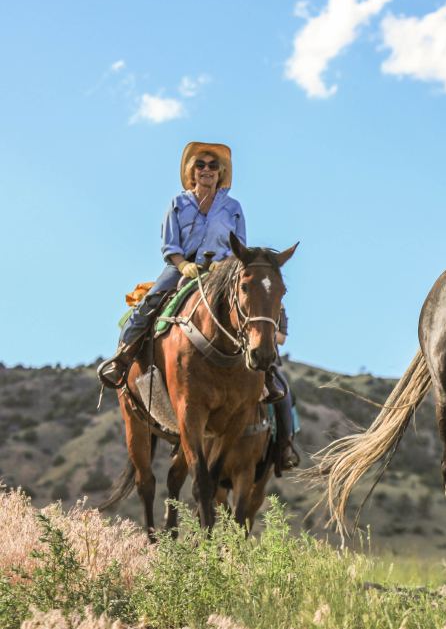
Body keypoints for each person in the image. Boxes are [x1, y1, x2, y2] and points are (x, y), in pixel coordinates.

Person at [98, 142, 283, 402]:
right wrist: (183, 264)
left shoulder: (233, 207)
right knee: (150, 301)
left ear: (221, 173)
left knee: (255, 306)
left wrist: (226, 264)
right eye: (200, 165)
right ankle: (123, 357)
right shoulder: (178, 203)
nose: (206, 169)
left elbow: (241, 247)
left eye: (213, 165)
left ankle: (268, 373)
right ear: (191, 171)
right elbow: (170, 243)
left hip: (224, 270)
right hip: (181, 266)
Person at [271, 306, 300, 472]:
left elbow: (281, 339)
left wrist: (262, 331)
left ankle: (285, 448)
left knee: (284, 397)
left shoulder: (278, 307)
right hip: (234, 357)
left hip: (266, 360)